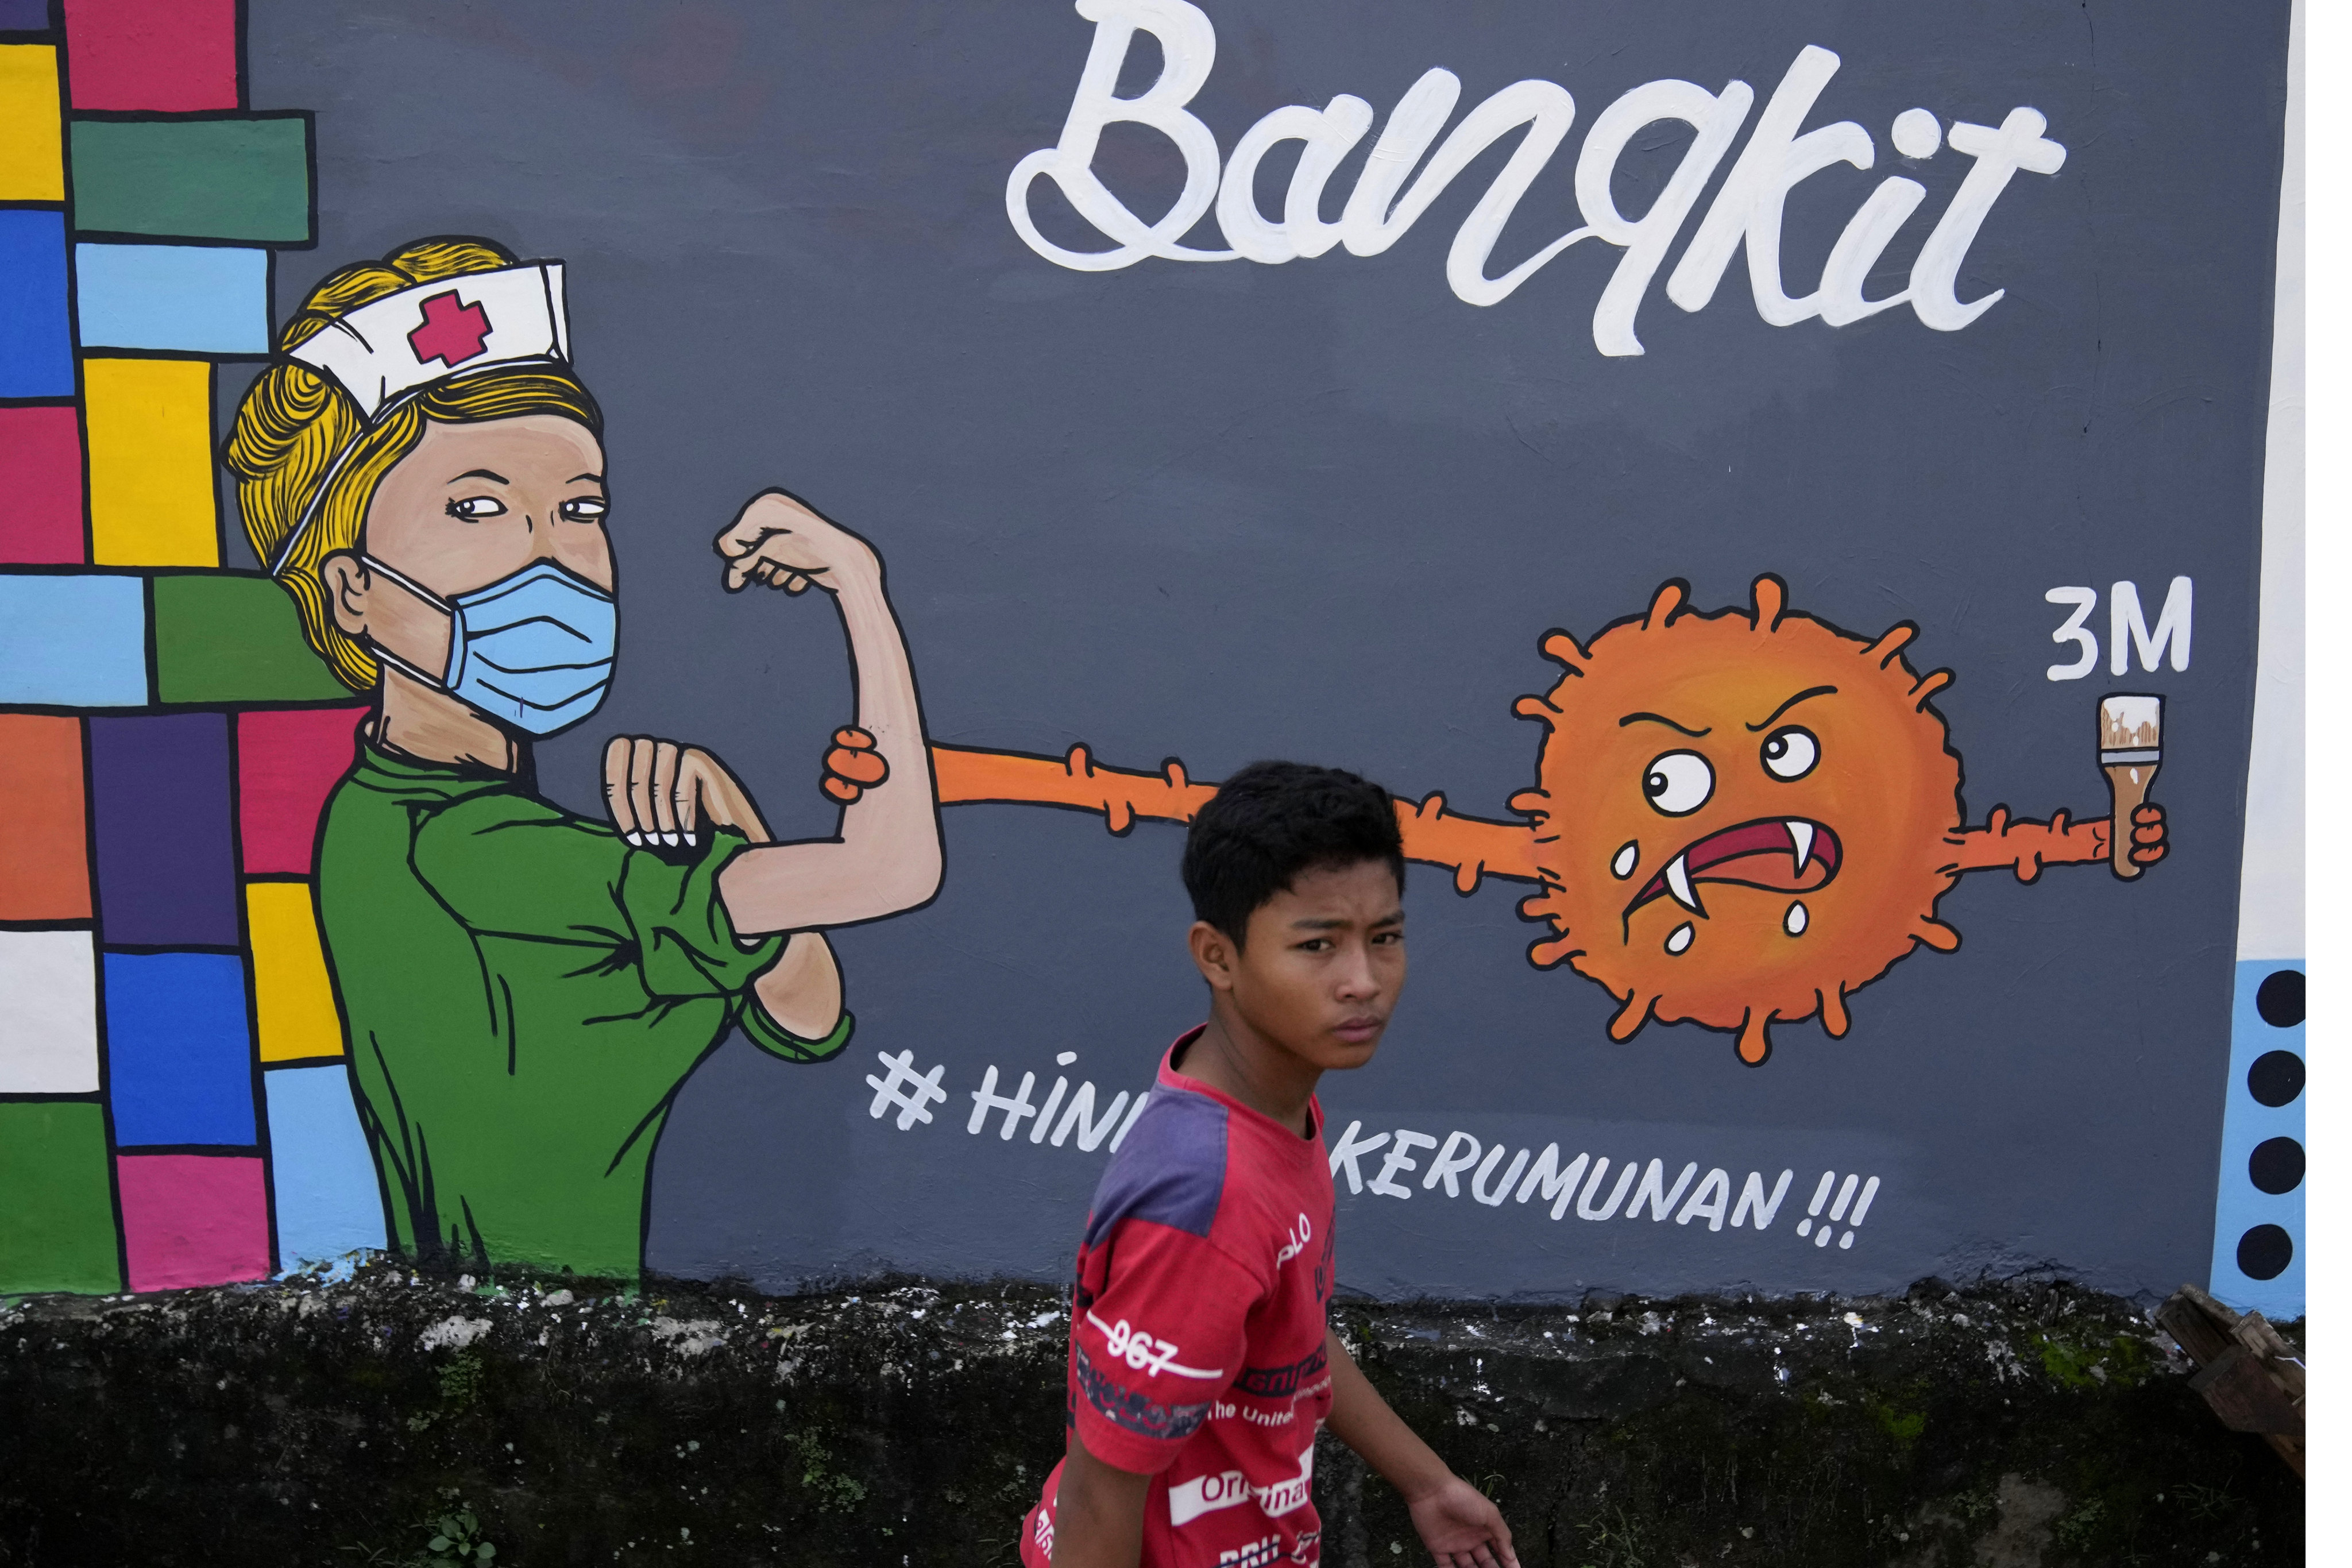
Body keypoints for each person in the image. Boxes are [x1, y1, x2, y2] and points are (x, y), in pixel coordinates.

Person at [225, 236, 941, 1279]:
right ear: (351, 593)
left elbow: (805, 1007)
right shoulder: (475, 853)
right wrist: (862, 593)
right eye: (475, 509)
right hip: (561, 1375)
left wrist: (730, 823)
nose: (549, 553)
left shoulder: (382, 808)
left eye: (579, 508)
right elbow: (891, 872)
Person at [1022, 762, 1517, 1568]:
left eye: (1384, 938)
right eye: (1317, 945)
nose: (1364, 982)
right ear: (1218, 956)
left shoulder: (1270, 1113)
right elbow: (1094, 1500)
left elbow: (1287, 1327)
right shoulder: (1206, 1197)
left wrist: (1425, 1483)